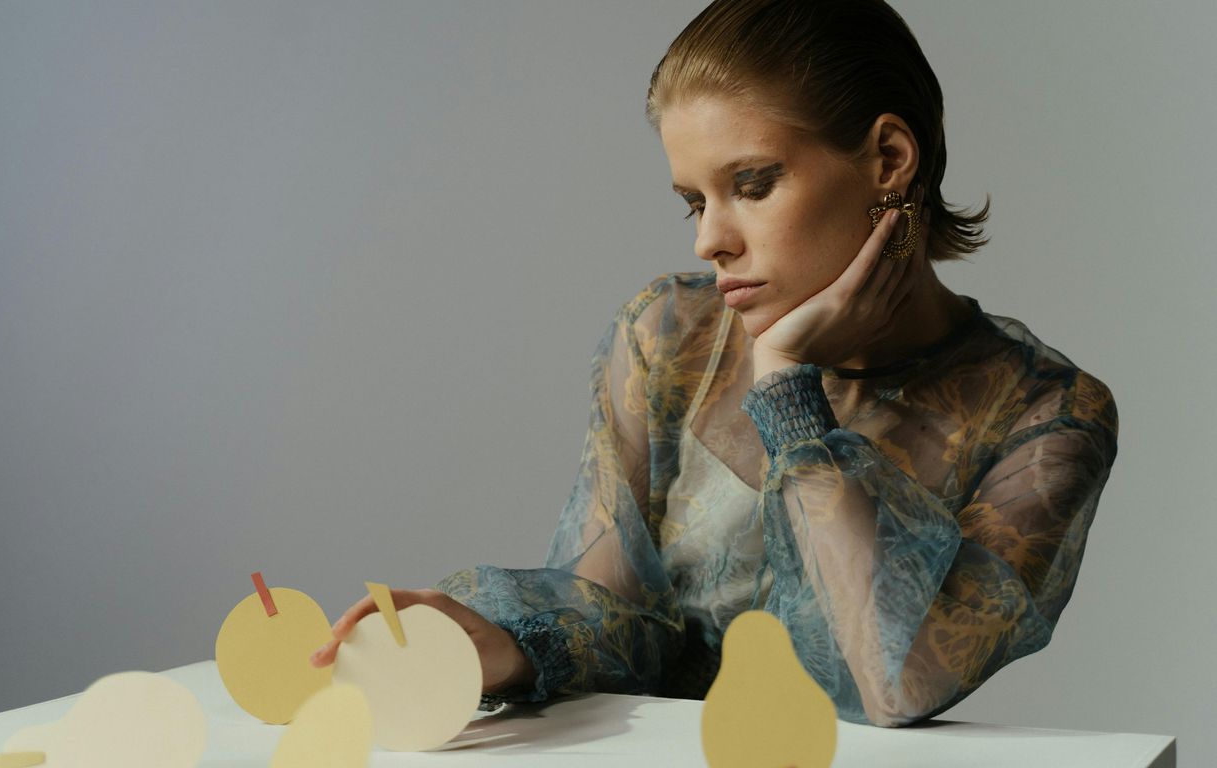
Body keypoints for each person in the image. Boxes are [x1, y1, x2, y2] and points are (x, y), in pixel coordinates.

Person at [309, 0, 1119, 727]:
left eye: (753, 185)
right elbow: (618, 614)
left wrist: (787, 389)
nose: (709, 240)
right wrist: (510, 646)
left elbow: (901, 683)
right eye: (695, 201)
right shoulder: (670, 335)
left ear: (889, 158)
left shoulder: (1045, 413)